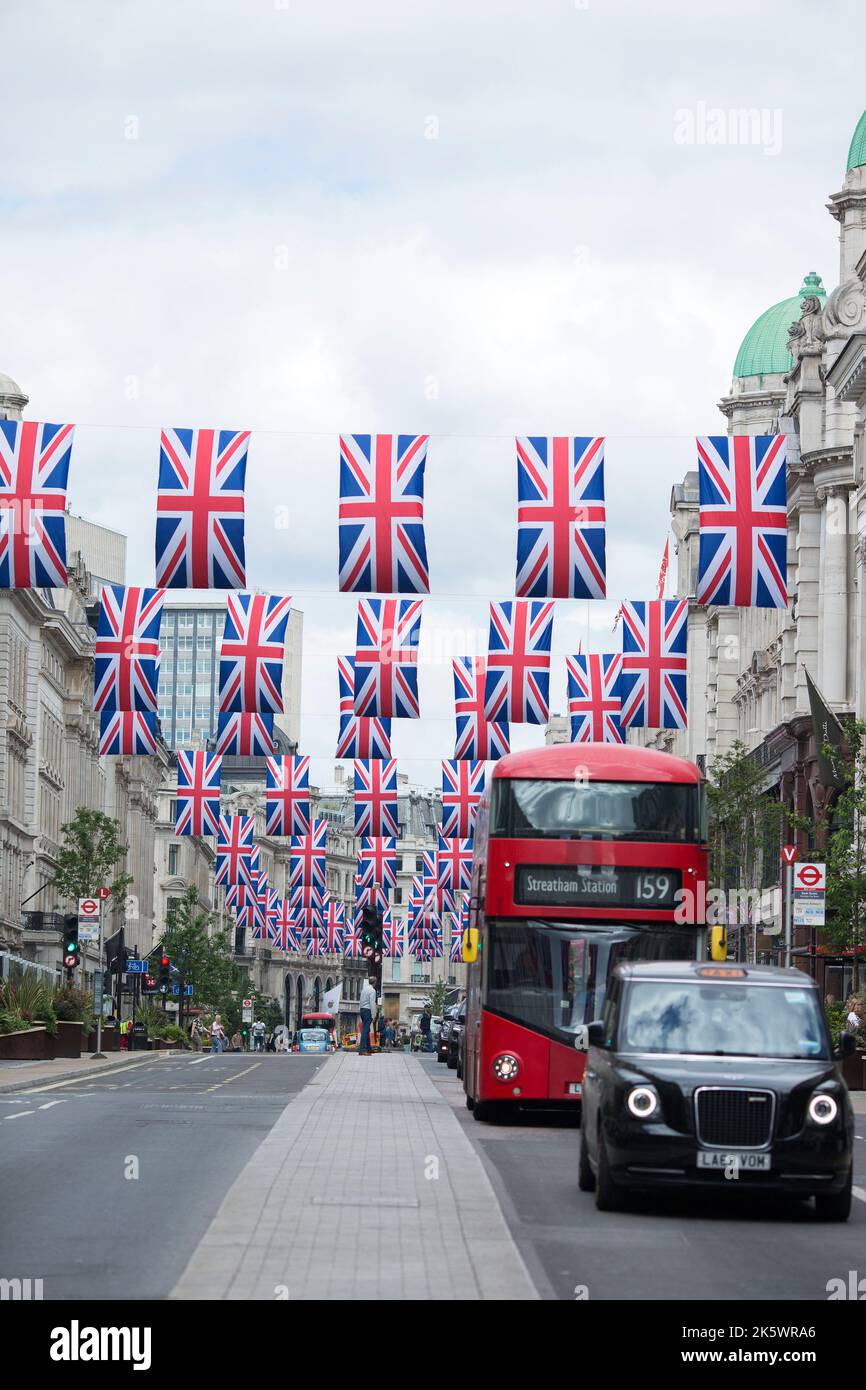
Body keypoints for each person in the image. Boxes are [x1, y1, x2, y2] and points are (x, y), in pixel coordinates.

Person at [359, 976, 377, 1055]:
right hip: (367, 1010)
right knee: (365, 1030)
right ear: (375, 982)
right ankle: (362, 1049)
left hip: (362, 1009)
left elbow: (361, 1000)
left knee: (366, 1029)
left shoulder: (364, 989)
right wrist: (373, 1015)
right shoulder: (372, 991)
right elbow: (372, 1003)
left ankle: (369, 1048)